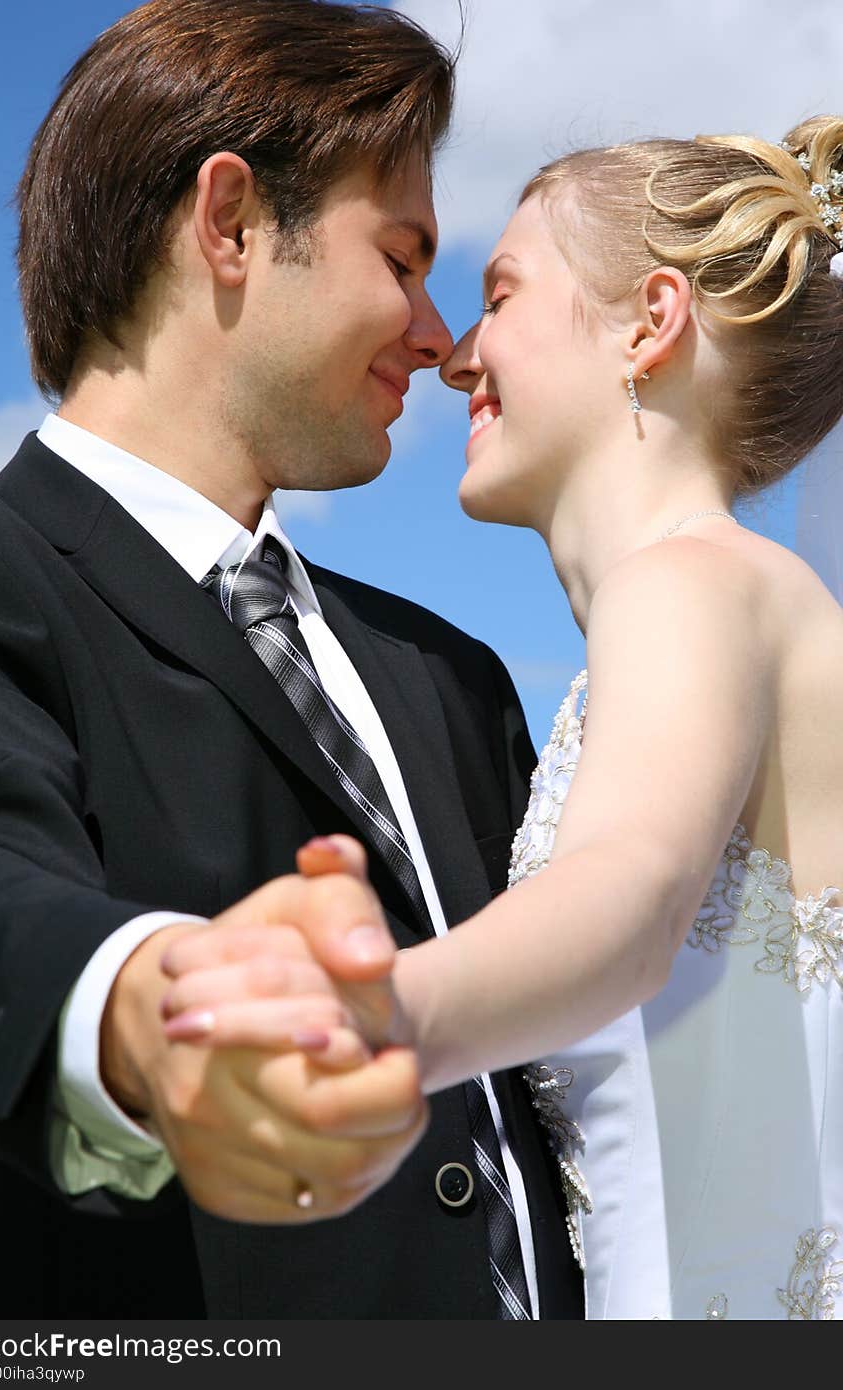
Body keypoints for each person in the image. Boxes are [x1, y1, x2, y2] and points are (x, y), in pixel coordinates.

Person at [161, 118, 843, 1319]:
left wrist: (373, 1022)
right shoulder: (699, 610)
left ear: (651, 322)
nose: (456, 352)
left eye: (498, 292)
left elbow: (629, 897)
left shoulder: (691, 583)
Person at [0, 0, 584, 1319]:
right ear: (232, 223)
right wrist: (145, 1010)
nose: (437, 332)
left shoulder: (454, 673)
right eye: (404, 257)